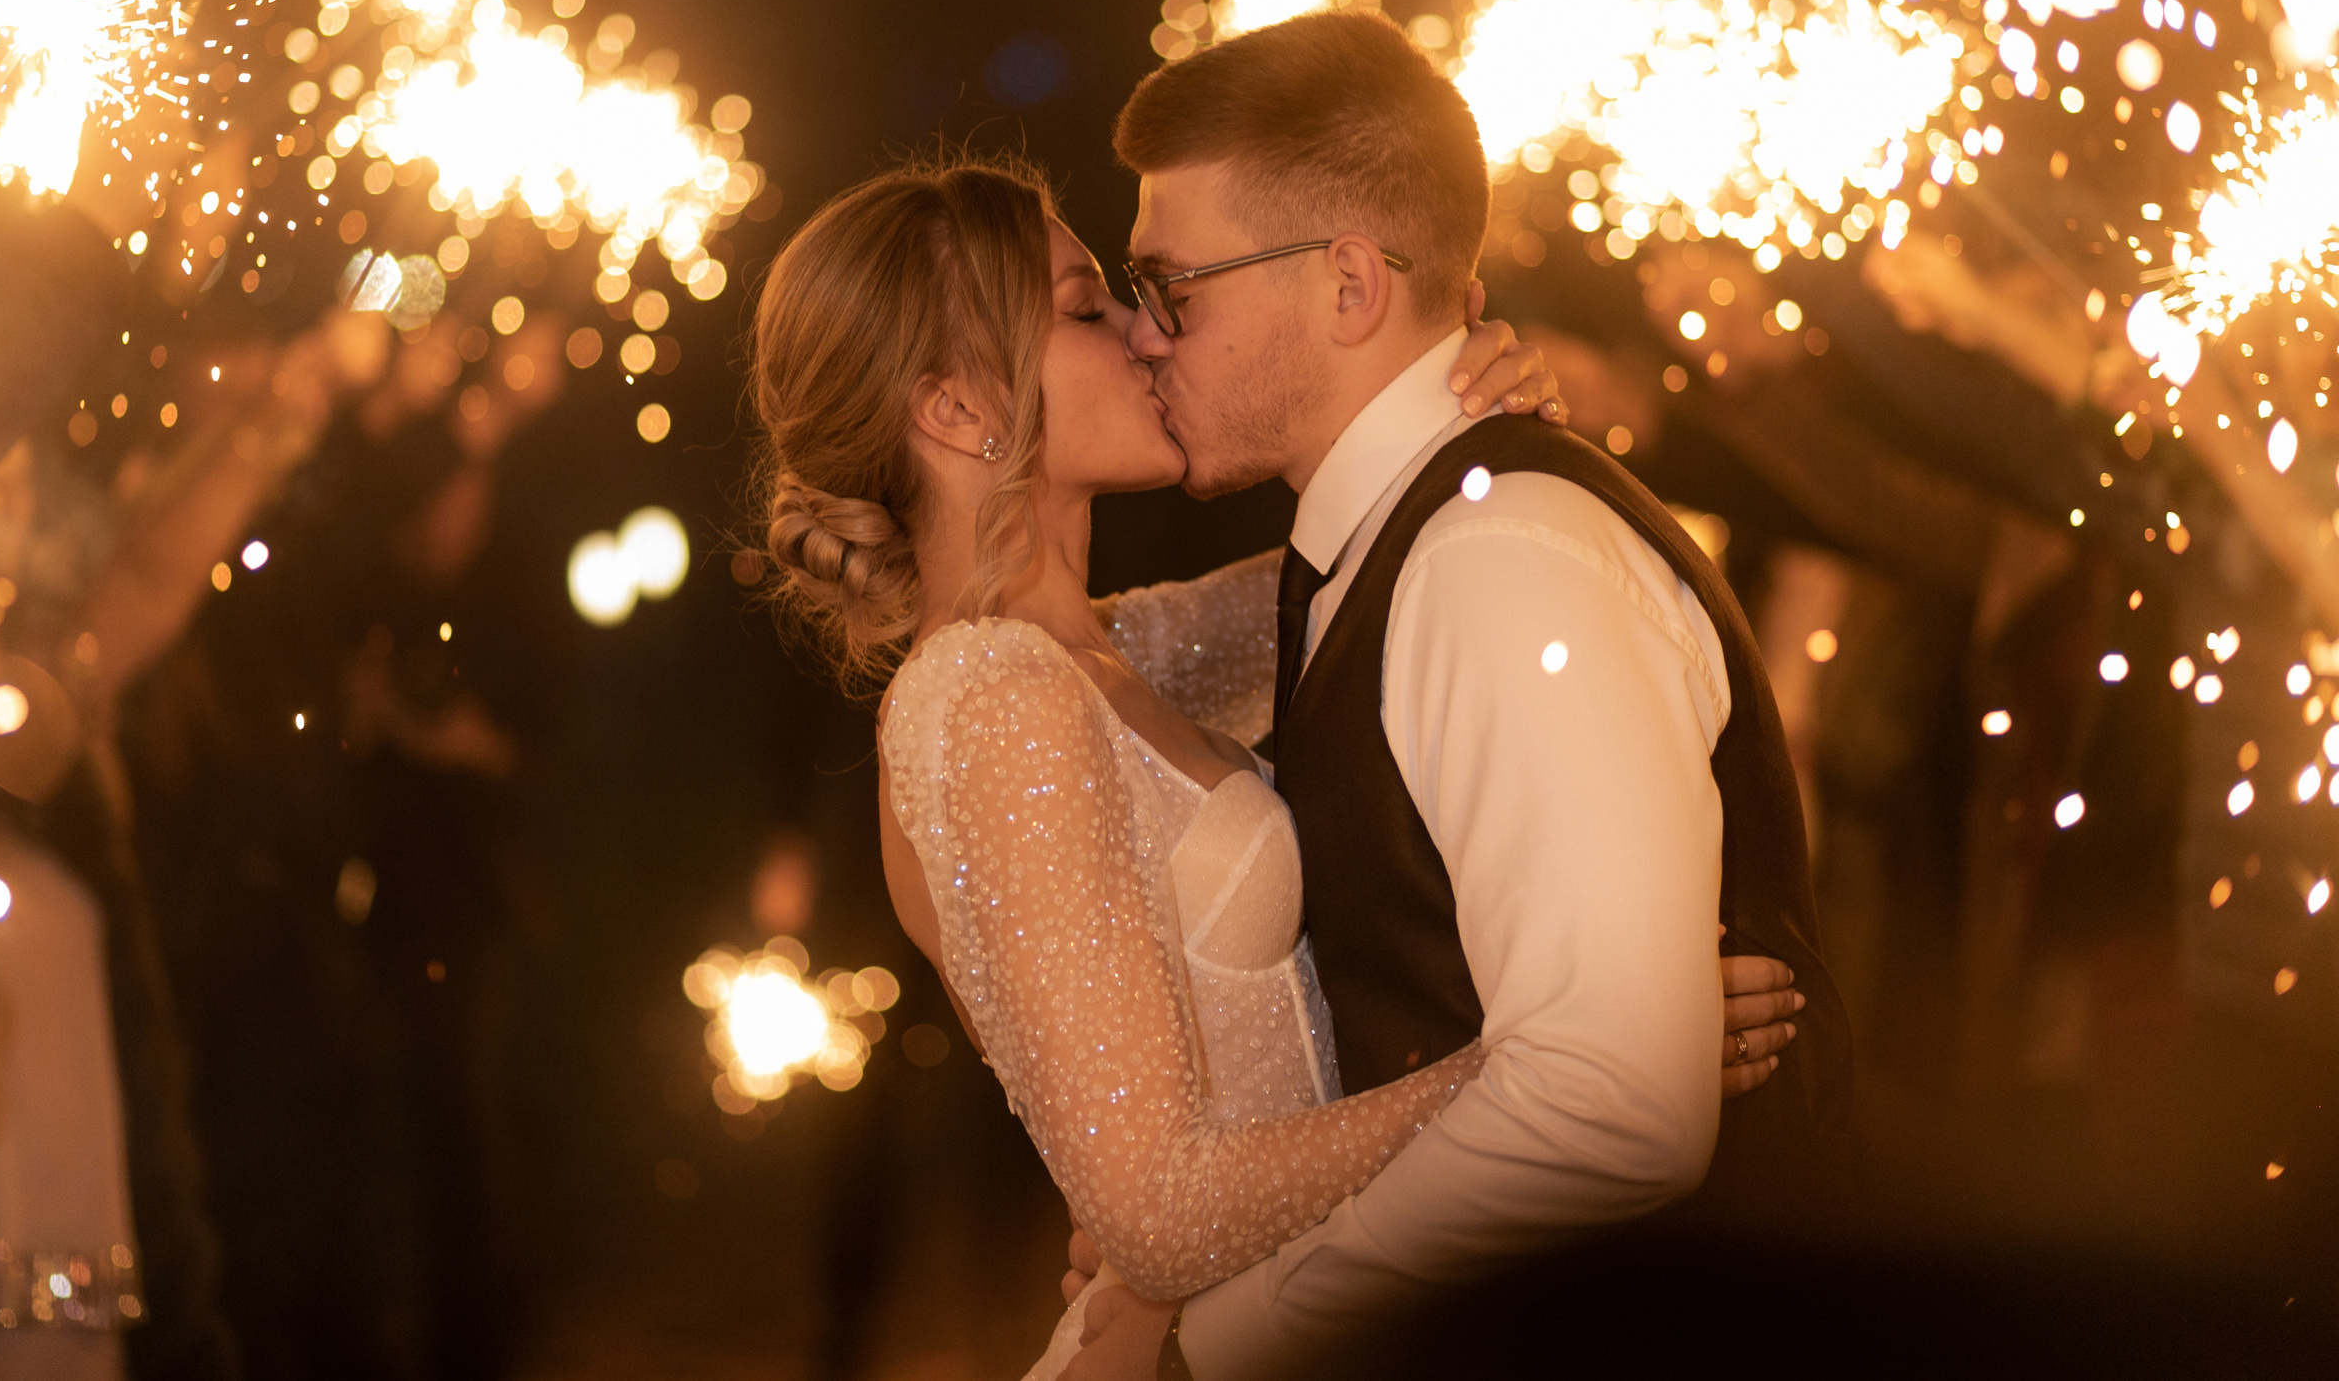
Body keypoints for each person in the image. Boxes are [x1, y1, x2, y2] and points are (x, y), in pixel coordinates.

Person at [747, 144, 1810, 1376]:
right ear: (958, 409)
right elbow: (1161, 1210)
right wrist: (1573, 1052)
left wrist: (1457, 401)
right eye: (1088, 310)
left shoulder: (1105, 654)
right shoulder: (989, 702)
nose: (1148, 339)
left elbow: (1380, 558)